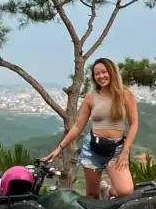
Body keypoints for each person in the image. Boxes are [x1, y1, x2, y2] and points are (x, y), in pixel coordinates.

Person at [43, 57, 139, 199]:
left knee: (125, 191)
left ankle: (106, 191)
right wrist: (60, 148)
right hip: (93, 149)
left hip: (116, 150)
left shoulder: (125, 94)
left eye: (104, 72)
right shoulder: (91, 97)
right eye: (97, 74)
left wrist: (125, 151)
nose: (101, 76)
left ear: (112, 72)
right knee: (92, 194)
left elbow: (134, 124)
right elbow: (78, 126)